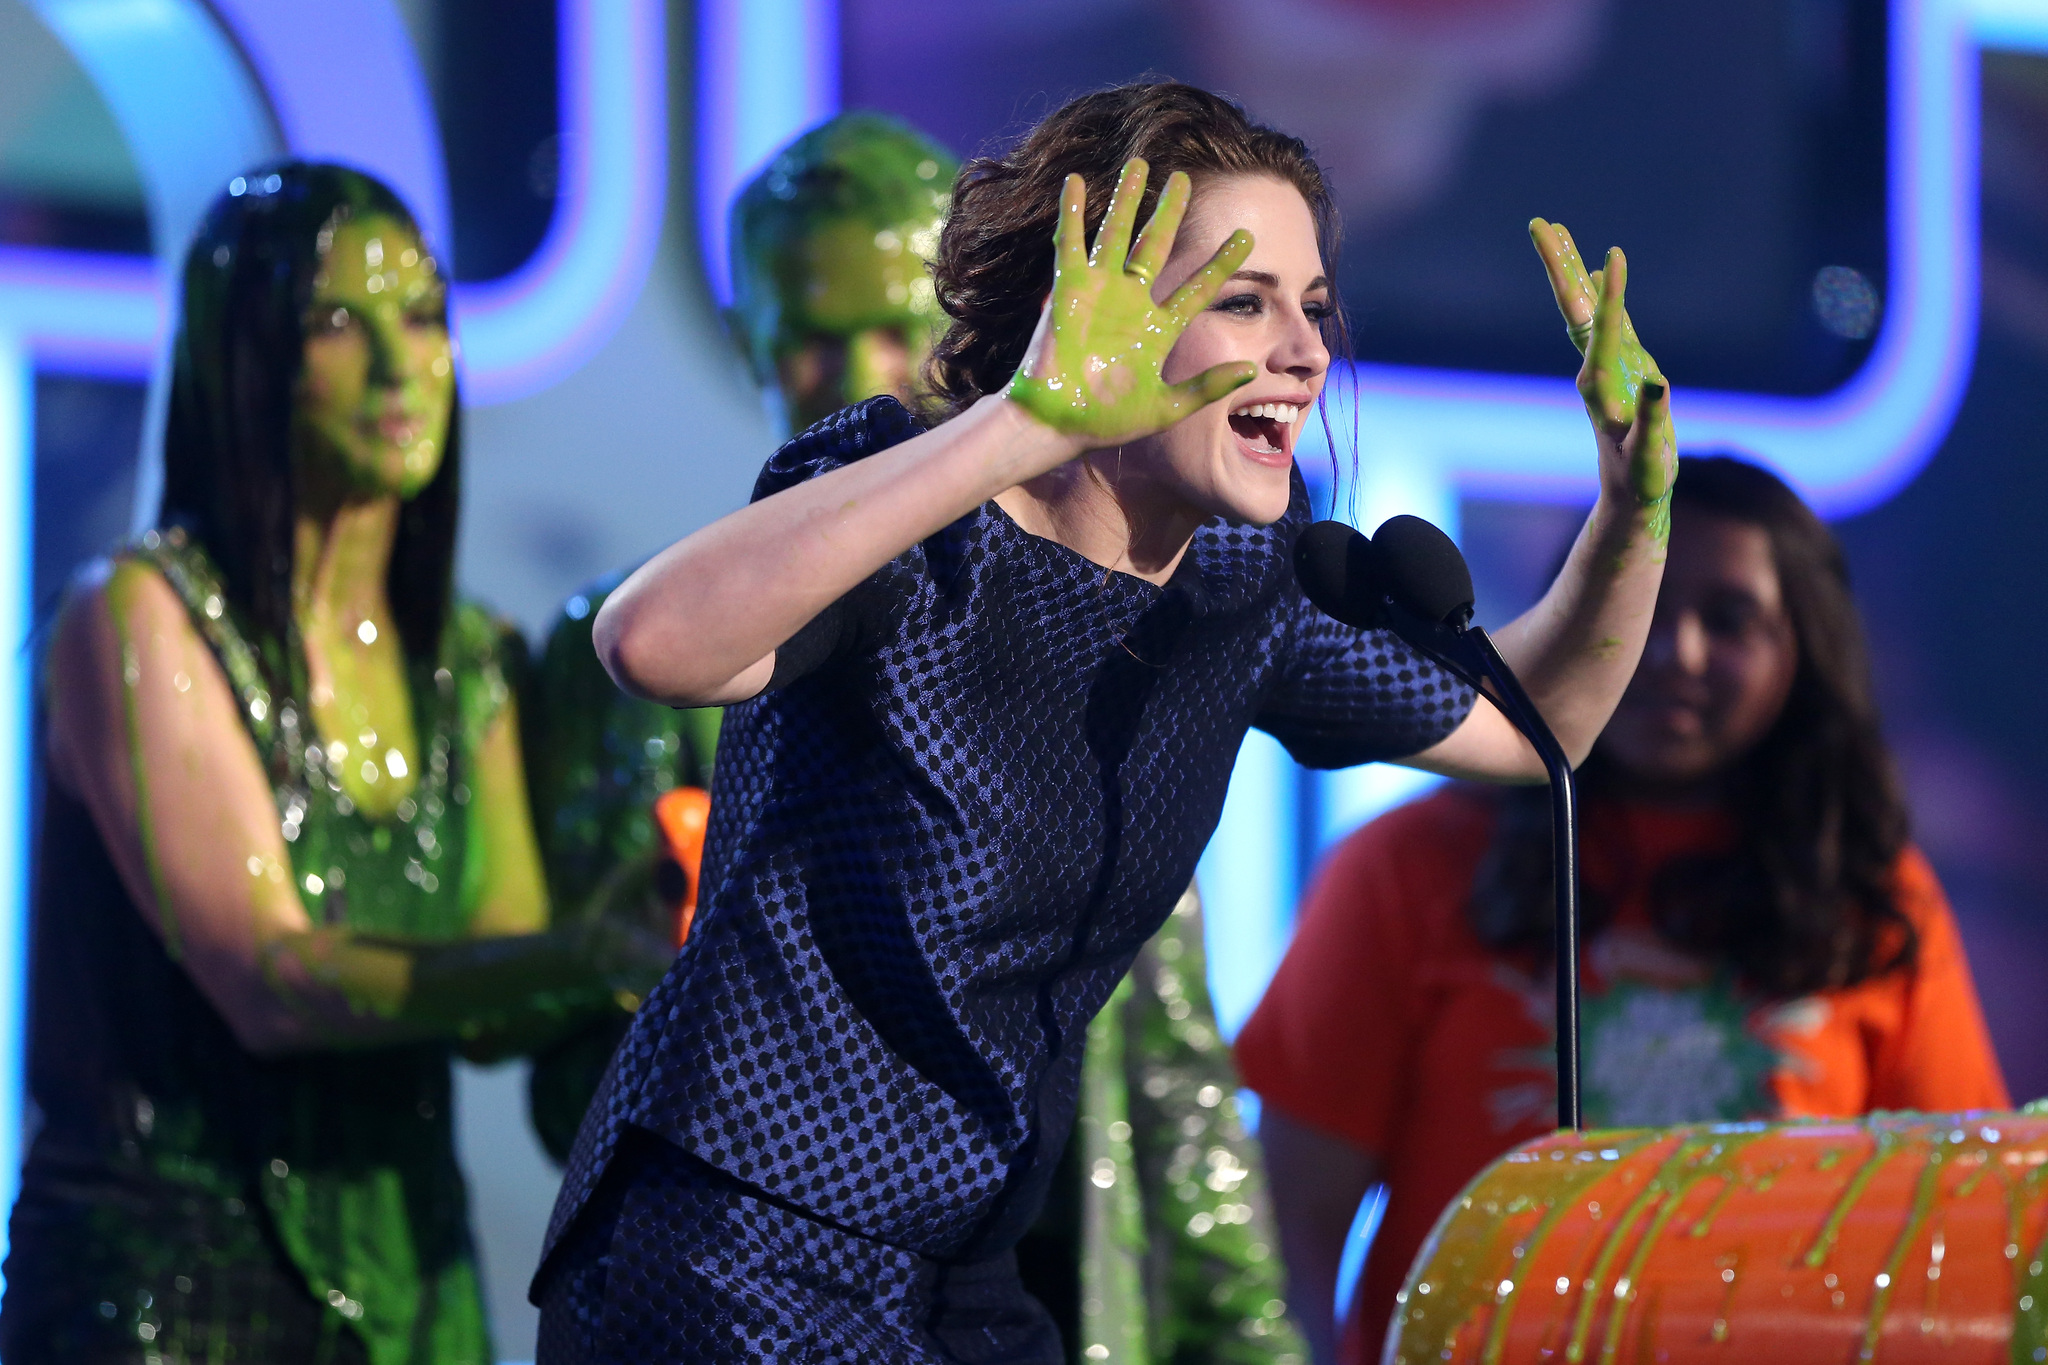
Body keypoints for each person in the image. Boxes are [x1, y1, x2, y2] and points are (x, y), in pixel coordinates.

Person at [532, 79, 1678, 1364]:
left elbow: (1535, 729)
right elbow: (653, 643)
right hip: (728, 1248)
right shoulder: (915, 523)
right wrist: (1015, 426)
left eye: (1311, 305)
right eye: (1244, 301)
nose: (1303, 351)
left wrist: (1631, 514)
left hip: (960, 1274)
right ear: (1093, 326)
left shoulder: (1239, 590)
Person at [0, 163, 668, 1365]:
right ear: (244, 358)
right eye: (335, 325)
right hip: (165, 1296)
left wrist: (637, 926)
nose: (401, 365)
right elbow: (271, 980)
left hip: (413, 1290)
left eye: (420, 316)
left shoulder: (471, 663)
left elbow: (491, 1004)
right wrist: (578, 955)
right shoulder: (138, 618)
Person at [1234, 455, 2012, 1365]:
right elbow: (1291, 1226)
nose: (1674, 650)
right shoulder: (1405, 868)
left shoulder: (1871, 892)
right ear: (1577, 611)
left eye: (1730, 619)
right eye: (1641, 607)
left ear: (1806, 648)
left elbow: (1961, 1225)